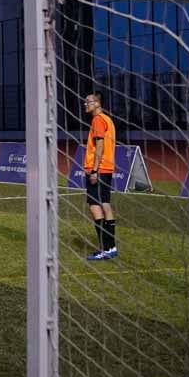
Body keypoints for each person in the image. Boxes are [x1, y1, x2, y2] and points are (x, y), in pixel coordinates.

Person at [83, 91, 118, 260]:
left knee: (95, 206)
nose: (85, 104)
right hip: (107, 167)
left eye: (88, 102)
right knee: (105, 204)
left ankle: (105, 248)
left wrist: (94, 170)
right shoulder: (107, 119)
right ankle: (111, 247)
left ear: (97, 103)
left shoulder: (97, 120)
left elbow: (100, 145)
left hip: (99, 168)